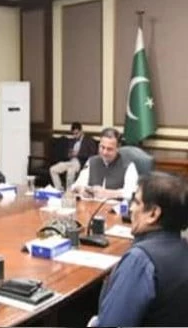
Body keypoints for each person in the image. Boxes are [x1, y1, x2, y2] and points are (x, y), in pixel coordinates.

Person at [91, 172, 188, 326]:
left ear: (153, 214)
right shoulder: (183, 248)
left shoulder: (140, 260)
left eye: (136, 202)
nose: (130, 208)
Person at [70, 127, 138, 200]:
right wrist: (81, 189)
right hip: (91, 204)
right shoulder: (92, 161)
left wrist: (108, 193)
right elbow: (75, 185)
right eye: (102, 147)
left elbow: (131, 192)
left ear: (118, 148)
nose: (105, 152)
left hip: (115, 206)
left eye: (109, 149)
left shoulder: (128, 165)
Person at [49, 122, 97, 190]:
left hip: (80, 163)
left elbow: (92, 155)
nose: (75, 136)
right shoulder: (72, 141)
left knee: (70, 171)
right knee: (53, 169)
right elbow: (66, 154)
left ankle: (69, 192)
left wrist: (78, 154)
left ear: (81, 131)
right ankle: (59, 189)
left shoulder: (88, 140)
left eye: (76, 133)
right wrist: (69, 154)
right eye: (73, 134)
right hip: (70, 162)